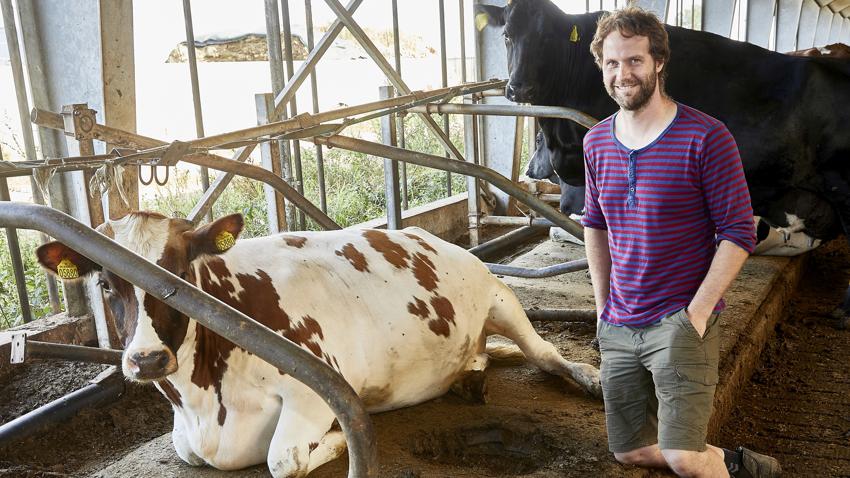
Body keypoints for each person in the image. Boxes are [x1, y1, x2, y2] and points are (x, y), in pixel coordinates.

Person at [582, 7, 781, 478]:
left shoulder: (705, 136)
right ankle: (734, 463)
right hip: (619, 322)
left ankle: (720, 464)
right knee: (628, 453)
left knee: (685, 458)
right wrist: (601, 307)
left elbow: (738, 231)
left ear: (658, 63)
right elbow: (595, 224)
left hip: (679, 319)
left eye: (634, 61)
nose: (622, 74)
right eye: (612, 63)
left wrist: (696, 314)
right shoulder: (595, 142)